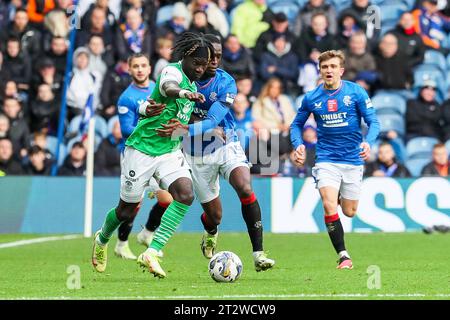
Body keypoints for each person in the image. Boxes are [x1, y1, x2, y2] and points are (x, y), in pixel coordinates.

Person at [91, 32, 212, 279]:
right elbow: (168, 89)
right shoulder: (173, 73)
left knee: (185, 195)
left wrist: (190, 126)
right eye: (197, 64)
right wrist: (183, 94)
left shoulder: (194, 82)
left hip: (169, 151)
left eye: (204, 65)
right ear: (186, 58)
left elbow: (182, 118)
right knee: (126, 210)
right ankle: (102, 238)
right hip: (142, 150)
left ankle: (152, 251)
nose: (200, 69)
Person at [155, 34, 275, 272]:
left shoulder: (226, 82)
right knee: (215, 216)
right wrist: (193, 123)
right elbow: (173, 110)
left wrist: (189, 126)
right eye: (211, 56)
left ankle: (258, 253)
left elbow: (213, 120)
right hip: (197, 154)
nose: (215, 61)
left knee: (245, 187)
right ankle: (211, 231)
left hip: (226, 144)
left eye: (219, 56)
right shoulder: (182, 80)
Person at [290, 50, 380, 269]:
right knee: (329, 205)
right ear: (320, 71)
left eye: (332, 67)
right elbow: (296, 125)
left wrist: (368, 142)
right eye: (324, 67)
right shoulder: (311, 97)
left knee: (349, 212)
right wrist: (298, 144)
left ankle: (339, 191)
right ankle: (343, 256)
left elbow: (373, 122)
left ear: (341, 70)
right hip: (326, 159)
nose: (328, 70)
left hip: (352, 160)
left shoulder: (356, 92)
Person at [110, 53, 168, 260]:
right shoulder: (127, 97)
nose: (140, 69)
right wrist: (152, 130)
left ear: (150, 68)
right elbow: (126, 130)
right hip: (135, 155)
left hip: (158, 152)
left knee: (168, 197)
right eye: (136, 66)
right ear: (129, 69)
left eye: (143, 65)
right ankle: (121, 244)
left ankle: (147, 233)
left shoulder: (159, 88)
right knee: (132, 205)